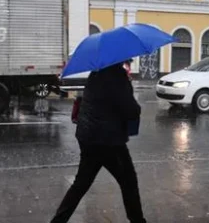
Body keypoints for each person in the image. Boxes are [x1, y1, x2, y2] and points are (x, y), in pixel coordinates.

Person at [50, 63, 146, 223]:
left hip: (88, 136)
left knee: (81, 183)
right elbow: (130, 110)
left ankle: (58, 221)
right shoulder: (117, 76)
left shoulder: (96, 73)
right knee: (128, 181)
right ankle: (138, 220)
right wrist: (134, 103)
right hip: (108, 140)